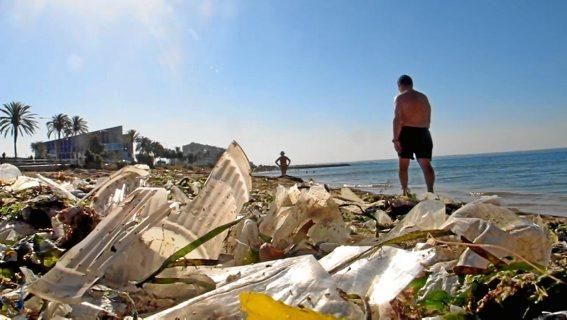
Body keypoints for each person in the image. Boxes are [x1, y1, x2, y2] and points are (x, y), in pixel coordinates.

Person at [392, 75, 435, 196]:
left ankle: (405, 191)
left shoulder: (400, 97)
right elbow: (428, 118)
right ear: (411, 84)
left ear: (400, 85)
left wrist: (395, 139)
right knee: (426, 165)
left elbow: (397, 119)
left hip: (407, 132)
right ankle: (430, 192)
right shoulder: (423, 97)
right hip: (423, 131)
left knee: (403, 165)